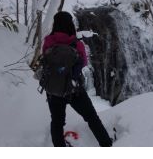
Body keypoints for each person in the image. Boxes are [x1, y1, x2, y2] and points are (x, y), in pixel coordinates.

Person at [42, 11, 113, 147]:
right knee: (91, 117)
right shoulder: (76, 44)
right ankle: (106, 144)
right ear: (70, 25)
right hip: (74, 90)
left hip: (54, 90)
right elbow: (84, 62)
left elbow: (45, 61)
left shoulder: (48, 41)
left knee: (57, 122)